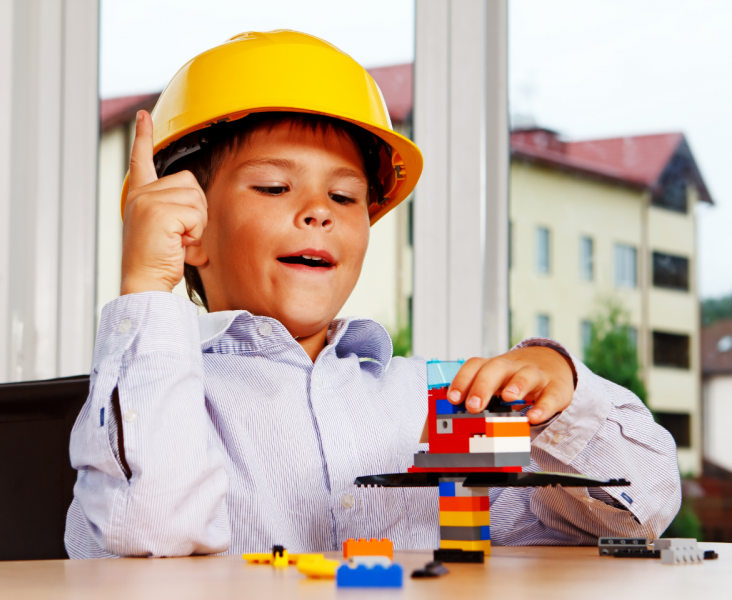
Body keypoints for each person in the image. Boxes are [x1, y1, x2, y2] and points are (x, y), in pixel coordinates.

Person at [65, 31, 680, 558]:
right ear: (190, 229)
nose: (317, 213)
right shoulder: (153, 400)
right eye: (275, 187)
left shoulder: (437, 402)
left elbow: (642, 508)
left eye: (344, 197)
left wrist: (564, 396)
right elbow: (152, 534)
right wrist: (149, 287)